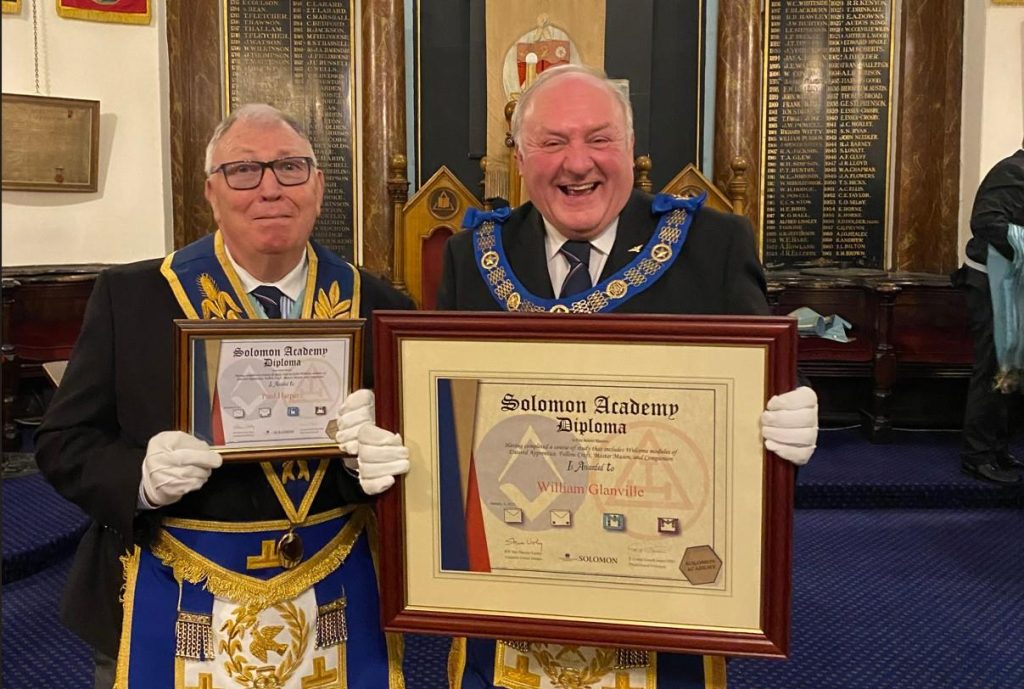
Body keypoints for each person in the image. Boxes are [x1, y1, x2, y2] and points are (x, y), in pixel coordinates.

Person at [437, 64, 818, 689]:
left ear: (632, 148)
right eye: (552, 142)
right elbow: (450, 423)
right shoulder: (472, 258)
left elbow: (760, 409)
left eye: (599, 139)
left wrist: (787, 427)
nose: (577, 163)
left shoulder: (712, 247)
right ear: (519, 158)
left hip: (660, 588)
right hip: (516, 582)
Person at [35, 104, 413, 689]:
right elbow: (63, 442)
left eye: (290, 167)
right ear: (211, 192)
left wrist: (377, 465)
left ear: (317, 187)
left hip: (336, 597)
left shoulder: (382, 306)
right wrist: (138, 479)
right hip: (163, 593)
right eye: (243, 171)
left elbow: (416, 464)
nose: (270, 188)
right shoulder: (131, 297)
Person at [953, 142, 1024, 484]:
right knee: (994, 367)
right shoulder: (1013, 172)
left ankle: (997, 448)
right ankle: (977, 456)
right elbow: (984, 221)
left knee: (1012, 368)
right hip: (991, 283)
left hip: (1011, 284)